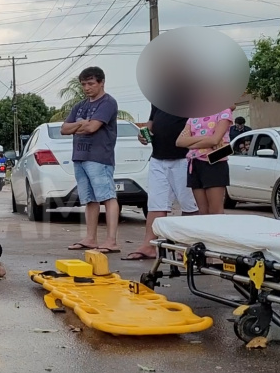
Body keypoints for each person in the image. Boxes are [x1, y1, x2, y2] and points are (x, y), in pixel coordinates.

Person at [123, 106, 199, 261]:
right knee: (156, 204)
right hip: (158, 157)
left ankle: (186, 246)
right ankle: (149, 245)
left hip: (185, 157)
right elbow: (151, 122)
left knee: (189, 205)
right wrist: (142, 135)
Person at [61, 66, 120, 254]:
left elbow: (93, 127)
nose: (87, 88)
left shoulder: (108, 103)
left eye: (91, 83)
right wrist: (80, 124)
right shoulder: (80, 106)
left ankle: (111, 240)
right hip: (80, 156)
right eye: (84, 84)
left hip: (99, 158)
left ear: (101, 82)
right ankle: (91, 238)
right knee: (89, 199)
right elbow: (64, 129)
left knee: (107, 196)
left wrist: (78, 126)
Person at [176, 108, 233, 215]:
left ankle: (218, 232)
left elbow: (215, 140)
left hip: (215, 163)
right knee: (203, 212)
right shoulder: (194, 116)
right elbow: (180, 142)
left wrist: (191, 144)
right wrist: (207, 138)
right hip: (195, 163)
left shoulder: (224, 112)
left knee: (215, 211)